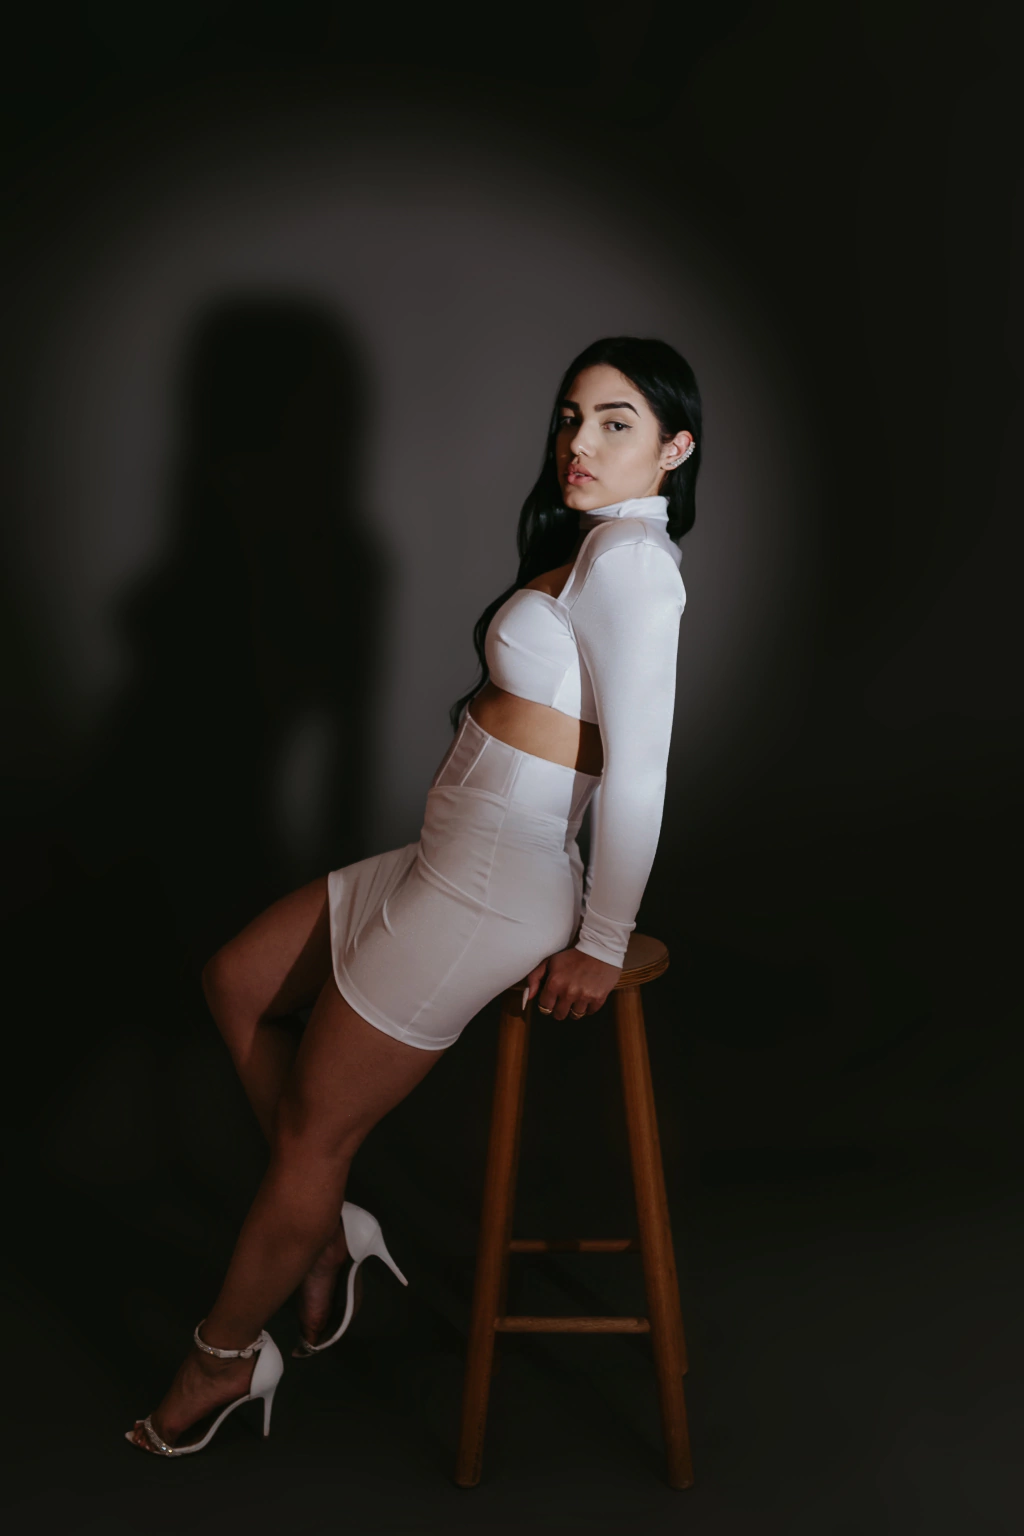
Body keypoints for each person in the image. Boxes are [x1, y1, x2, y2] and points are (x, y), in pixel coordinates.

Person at [125, 334, 702, 1456]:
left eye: (615, 422)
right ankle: (324, 1235)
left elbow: (640, 771)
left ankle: (224, 1357)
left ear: (674, 450)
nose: (580, 443)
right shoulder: (594, 548)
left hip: (490, 890)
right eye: (571, 416)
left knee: (311, 1135)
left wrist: (603, 937)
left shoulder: (636, 566)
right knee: (238, 982)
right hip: (443, 860)